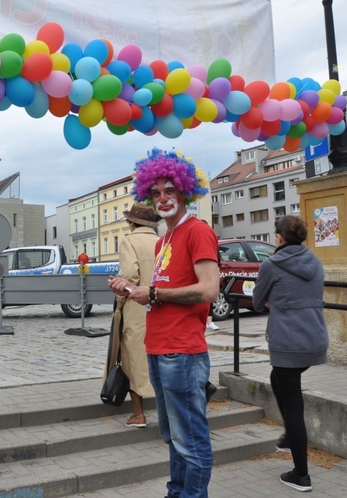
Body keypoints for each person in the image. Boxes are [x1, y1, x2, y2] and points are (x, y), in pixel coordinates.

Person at [108, 148, 219, 498]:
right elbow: (158, 289)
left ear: (185, 191)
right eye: (155, 193)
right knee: (172, 437)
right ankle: (176, 492)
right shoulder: (164, 239)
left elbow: (209, 290)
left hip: (182, 352)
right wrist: (132, 289)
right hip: (159, 348)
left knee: (191, 440)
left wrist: (154, 294)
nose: (163, 198)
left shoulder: (197, 231)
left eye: (170, 191)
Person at [252, 215, 329, 493]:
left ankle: (301, 474)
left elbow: (257, 302)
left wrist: (274, 300)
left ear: (280, 238)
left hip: (288, 342)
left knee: (294, 405)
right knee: (279, 381)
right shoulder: (315, 262)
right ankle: (289, 435)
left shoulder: (271, 264)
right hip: (316, 339)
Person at [105, 203, 158, 428]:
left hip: (136, 308)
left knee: (132, 359)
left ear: (132, 223)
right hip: (160, 305)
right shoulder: (162, 242)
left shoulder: (130, 241)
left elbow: (129, 276)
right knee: (158, 358)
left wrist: (119, 301)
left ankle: (138, 414)